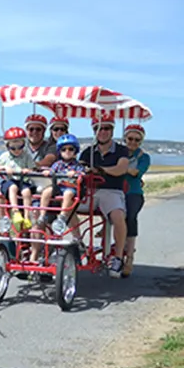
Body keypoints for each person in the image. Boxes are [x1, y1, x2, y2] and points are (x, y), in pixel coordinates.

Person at [79, 114, 130, 278]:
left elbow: (121, 169)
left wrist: (100, 170)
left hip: (111, 191)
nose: (102, 132)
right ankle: (78, 244)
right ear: (94, 131)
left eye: (106, 128)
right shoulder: (88, 152)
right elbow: (79, 171)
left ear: (112, 130)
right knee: (65, 209)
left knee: (117, 217)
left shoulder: (122, 150)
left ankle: (118, 257)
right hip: (90, 192)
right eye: (98, 128)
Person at [37, 134, 86, 233]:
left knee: (68, 193)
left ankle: (62, 216)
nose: (67, 151)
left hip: (71, 187)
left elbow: (82, 174)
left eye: (70, 149)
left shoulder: (77, 165)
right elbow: (52, 171)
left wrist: (76, 174)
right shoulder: (58, 164)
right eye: (64, 149)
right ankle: (42, 215)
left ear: (75, 151)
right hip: (59, 187)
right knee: (47, 191)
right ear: (60, 151)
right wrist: (48, 172)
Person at [122, 123, 151, 277]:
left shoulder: (144, 157)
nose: (133, 142)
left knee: (130, 217)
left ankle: (129, 258)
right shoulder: (119, 153)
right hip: (117, 192)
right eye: (130, 139)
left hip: (133, 193)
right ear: (125, 138)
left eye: (137, 140)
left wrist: (120, 169)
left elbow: (136, 173)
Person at [0, 127, 34, 231]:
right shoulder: (5, 156)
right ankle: (15, 211)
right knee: (12, 188)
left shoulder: (26, 156)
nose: (17, 150)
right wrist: (4, 167)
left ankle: (26, 217)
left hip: (23, 181)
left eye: (20, 147)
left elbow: (32, 168)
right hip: (9, 181)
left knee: (26, 192)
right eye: (13, 148)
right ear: (8, 146)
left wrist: (27, 170)